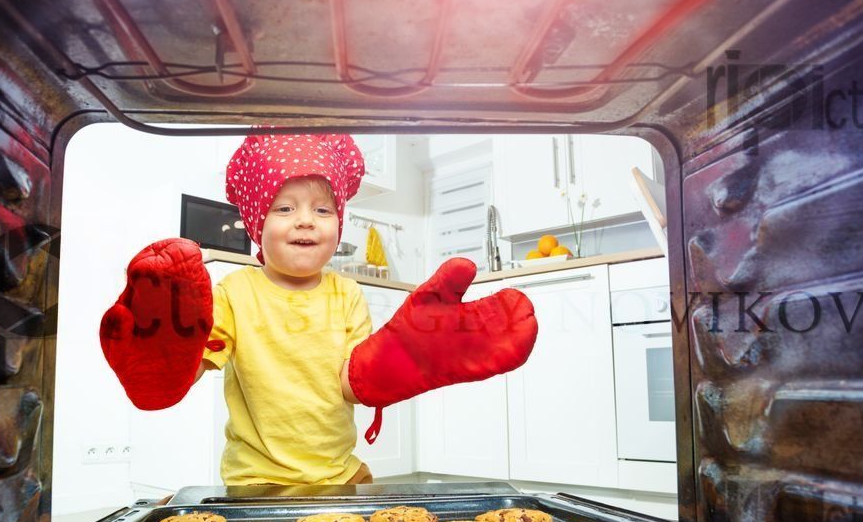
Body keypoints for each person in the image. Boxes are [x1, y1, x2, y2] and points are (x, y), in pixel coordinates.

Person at [100, 133, 539, 486]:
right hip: (258, 480)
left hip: (342, 471)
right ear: (257, 223)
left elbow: (351, 382)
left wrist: (412, 355)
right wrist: (164, 361)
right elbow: (202, 362)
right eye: (285, 208)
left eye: (323, 209)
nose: (306, 220)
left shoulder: (346, 293)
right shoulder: (235, 291)